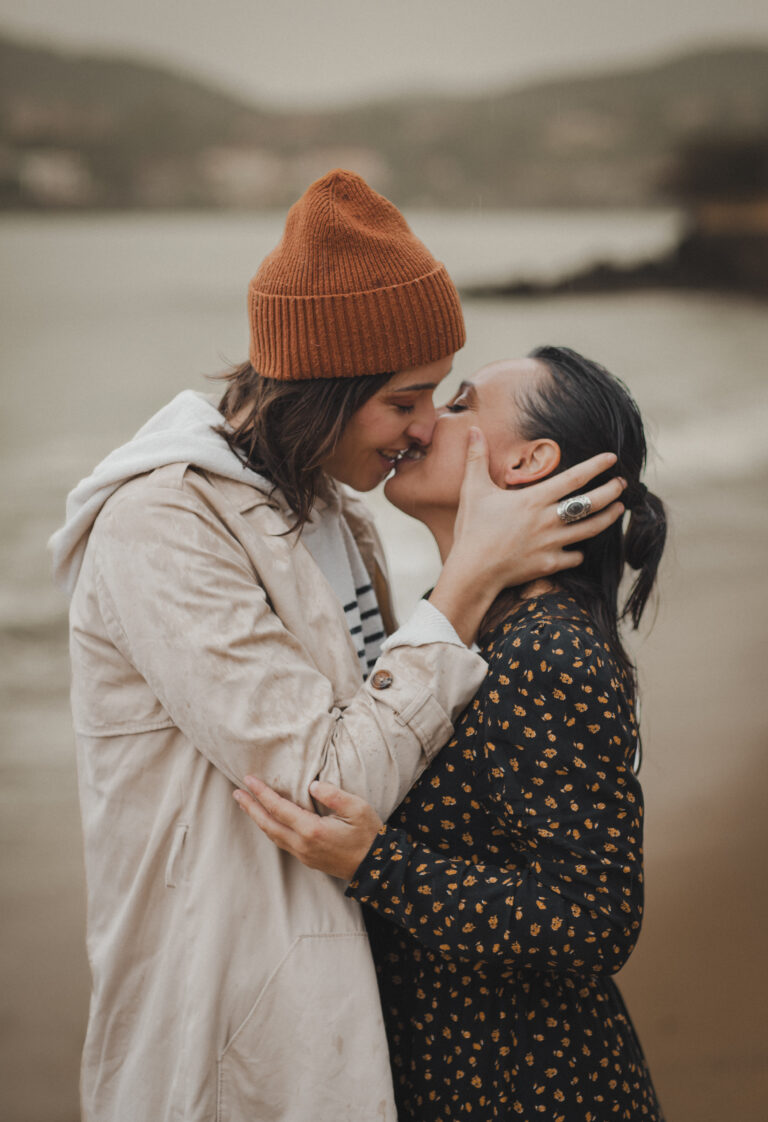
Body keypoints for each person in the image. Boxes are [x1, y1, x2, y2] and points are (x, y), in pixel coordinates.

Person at [50, 170, 624, 1122]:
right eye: (404, 401)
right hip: (223, 1021)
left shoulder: (328, 513)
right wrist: (470, 577)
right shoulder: (163, 523)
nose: (423, 429)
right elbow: (328, 774)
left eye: (438, 397)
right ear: (325, 389)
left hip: (336, 1003)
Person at [235, 346, 666, 1120]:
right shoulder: (467, 621)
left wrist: (379, 864)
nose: (427, 424)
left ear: (529, 461)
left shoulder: (546, 648)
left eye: (461, 406)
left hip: (536, 1088)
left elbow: (597, 916)